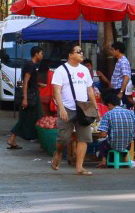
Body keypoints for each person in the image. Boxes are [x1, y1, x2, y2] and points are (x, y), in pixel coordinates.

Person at [50, 43, 97, 175]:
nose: (82, 54)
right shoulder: (60, 71)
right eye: (78, 52)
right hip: (67, 108)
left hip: (83, 109)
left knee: (84, 137)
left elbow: (90, 90)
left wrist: (95, 107)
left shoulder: (84, 70)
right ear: (70, 55)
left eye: (81, 52)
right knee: (64, 138)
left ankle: (79, 167)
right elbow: (57, 92)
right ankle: (58, 153)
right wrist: (62, 108)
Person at [7, 46, 43, 149]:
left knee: (30, 118)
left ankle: (13, 139)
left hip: (32, 94)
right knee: (33, 118)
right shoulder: (30, 65)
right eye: (41, 53)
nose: (42, 55)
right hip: (31, 97)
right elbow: (26, 82)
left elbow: (30, 81)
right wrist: (25, 98)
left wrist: (39, 84)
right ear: (36, 54)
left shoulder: (32, 65)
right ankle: (12, 138)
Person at [95, 89, 135, 165]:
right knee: (129, 140)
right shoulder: (130, 113)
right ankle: (126, 157)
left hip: (113, 145)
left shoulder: (108, 114)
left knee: (101, 141)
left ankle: (103, 160)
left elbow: (103, 134)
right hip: (127, 145)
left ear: (109, 105)